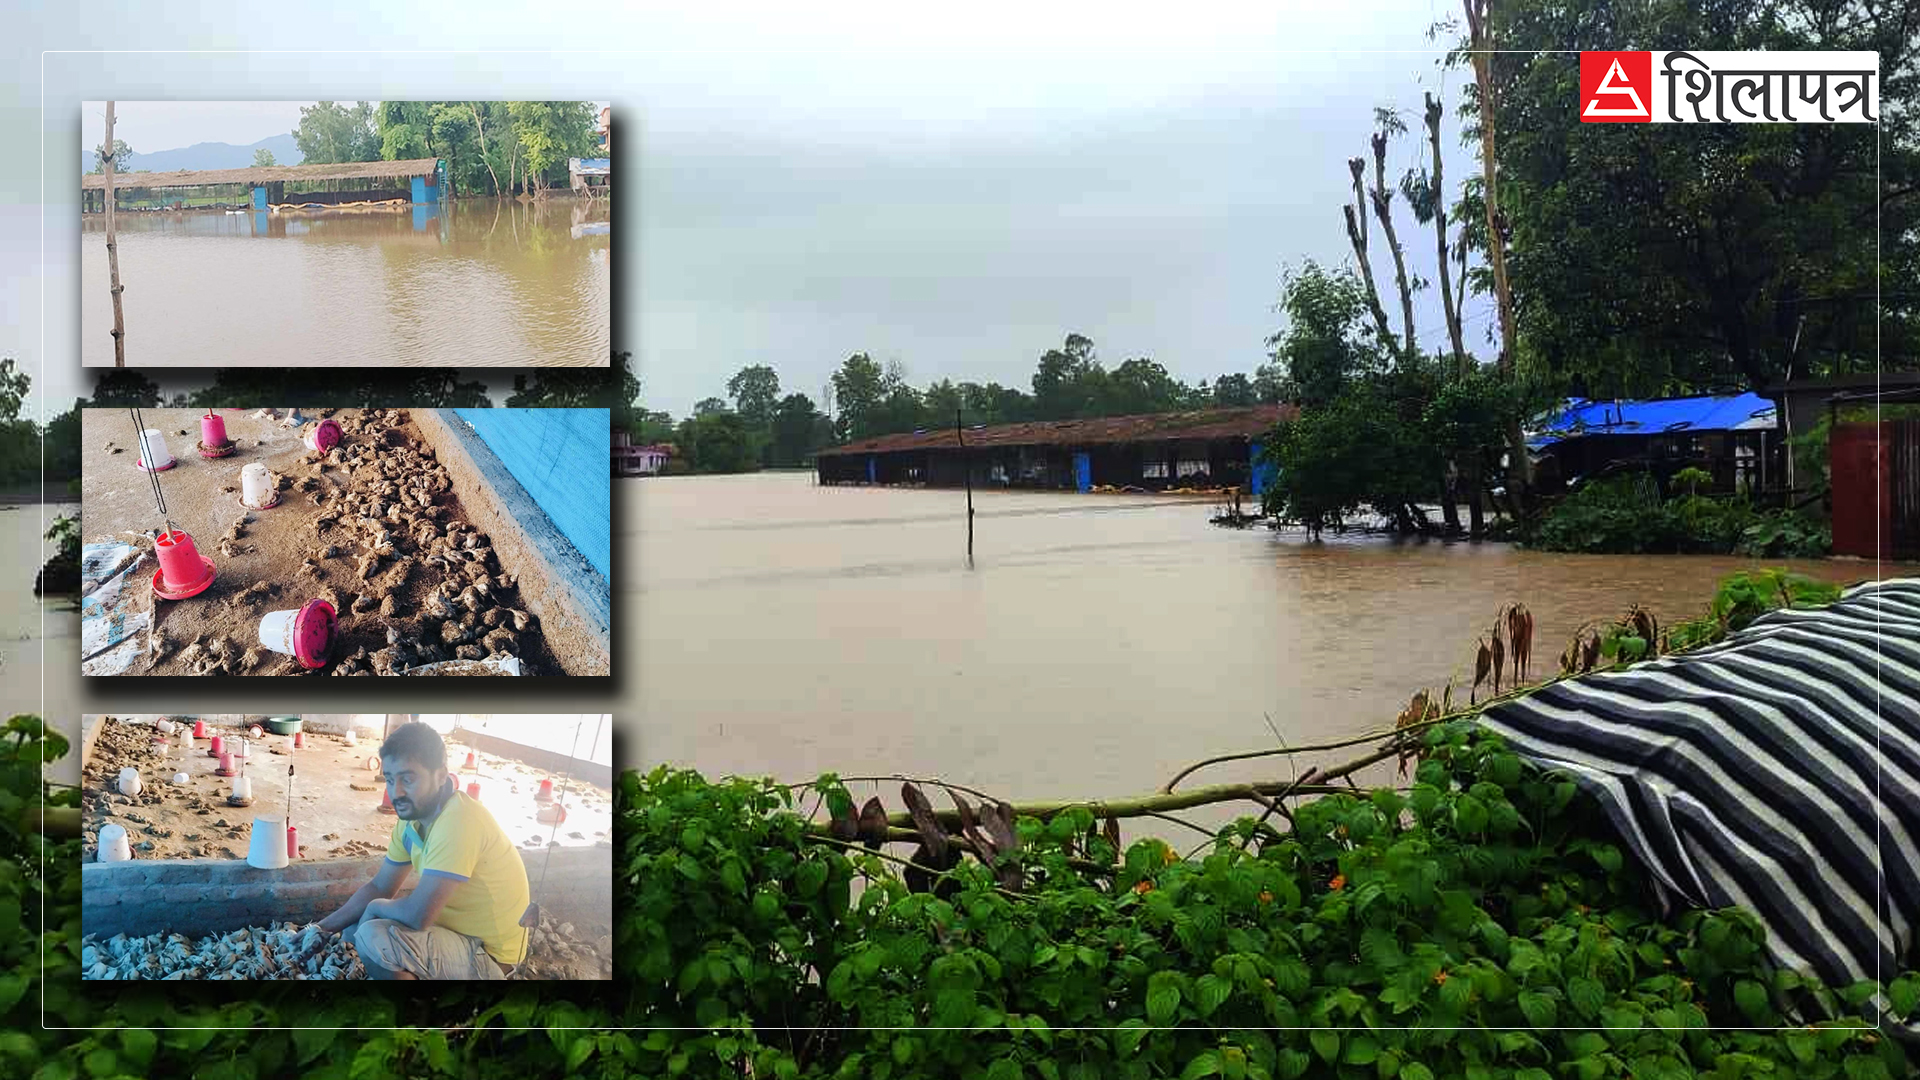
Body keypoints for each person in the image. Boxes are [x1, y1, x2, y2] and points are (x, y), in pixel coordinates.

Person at [315, 722, 531, 979]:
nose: (397, 792)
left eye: (408, 779)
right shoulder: (411, 822)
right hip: (457, 936)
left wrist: (374, 908)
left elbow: (418, 916)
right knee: (353, 928)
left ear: (440, 776)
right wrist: (319, 930)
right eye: (390, 779)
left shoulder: (459, 820)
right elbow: (380, 887)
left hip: (492, 956)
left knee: (372, 936)